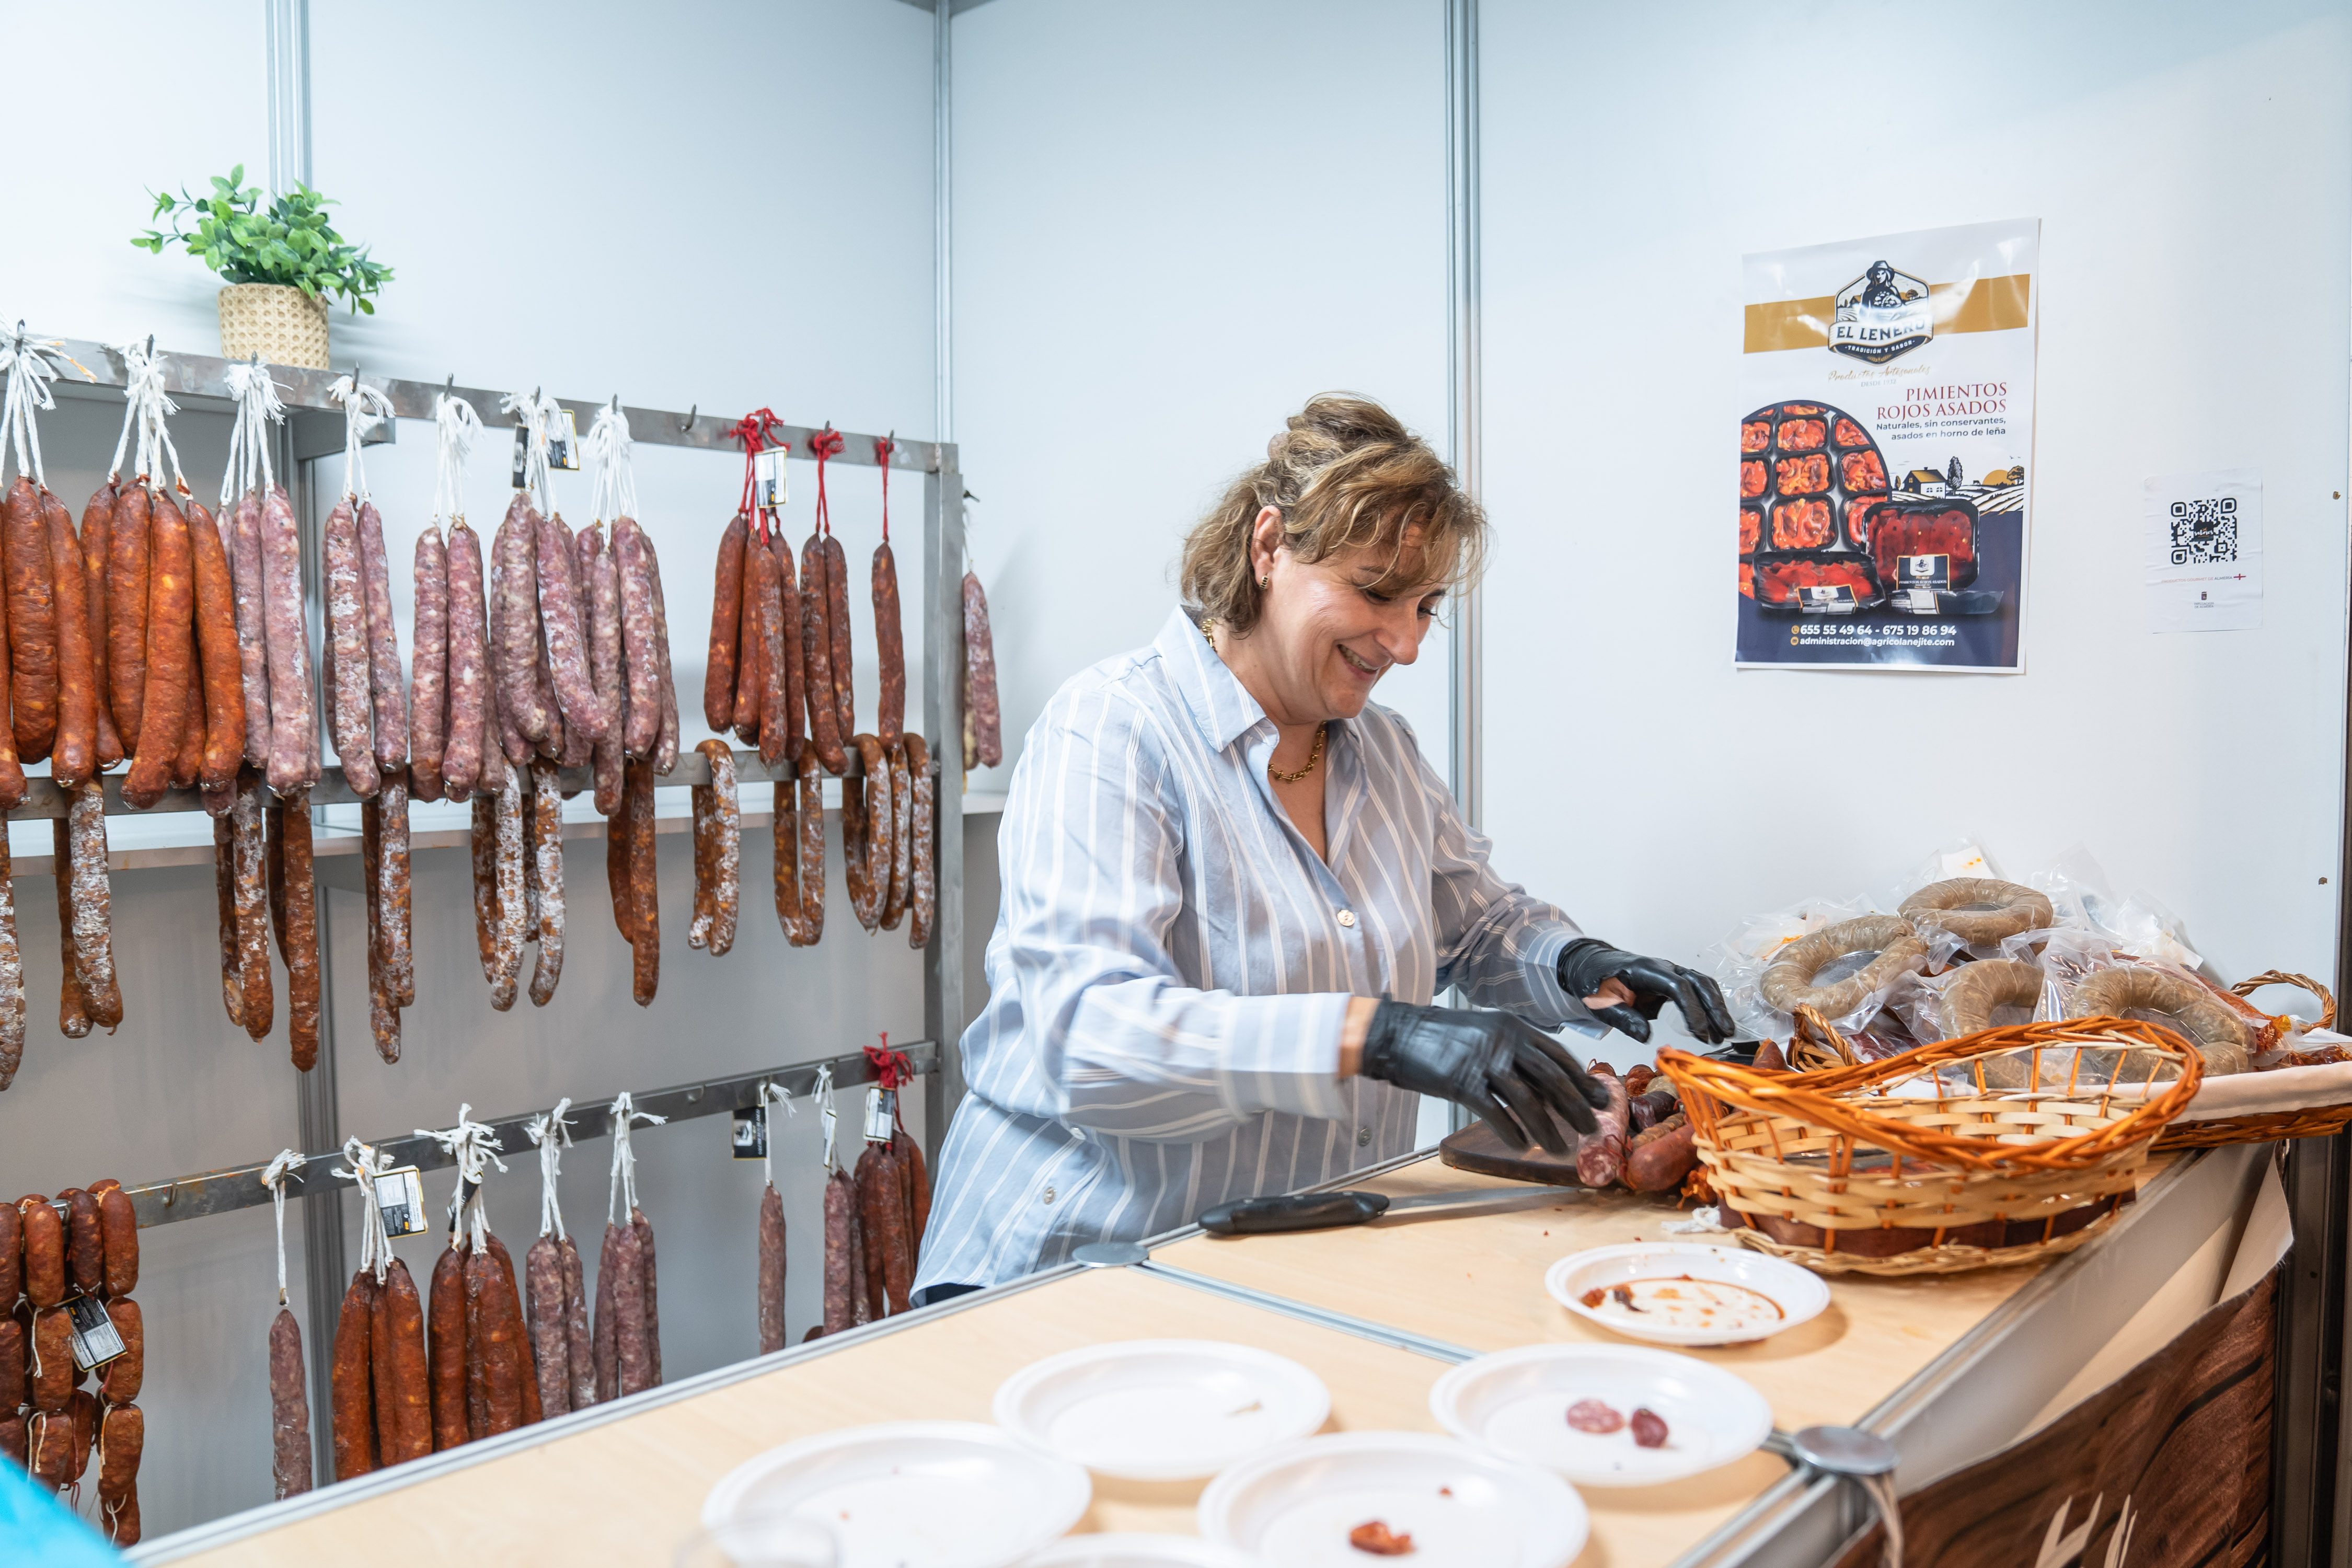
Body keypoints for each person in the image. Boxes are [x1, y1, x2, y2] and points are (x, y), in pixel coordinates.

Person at [911, 396, 1732, 1302]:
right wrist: (1374, 1035)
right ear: (1269, 548)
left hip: (1291, 1266)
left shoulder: (1383, 753)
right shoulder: (1114, 730)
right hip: (1078, 1266)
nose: (1408, 643)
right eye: (1376, 591)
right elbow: (1088, 1040)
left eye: (1426, 606)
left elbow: (1477, 928)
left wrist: (1579, 963)